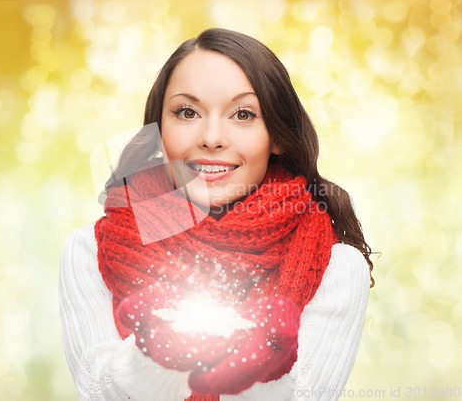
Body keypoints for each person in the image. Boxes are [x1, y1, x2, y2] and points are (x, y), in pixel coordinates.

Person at [59, 28, 374, 401]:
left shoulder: (336, 269)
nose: (212, 137)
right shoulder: (91, 251)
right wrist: (158, 352)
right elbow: (98, 392)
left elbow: (305, 396)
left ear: (277, 137)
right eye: (187, 112)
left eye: (243, 114)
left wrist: (258, 358)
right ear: (158, 131)